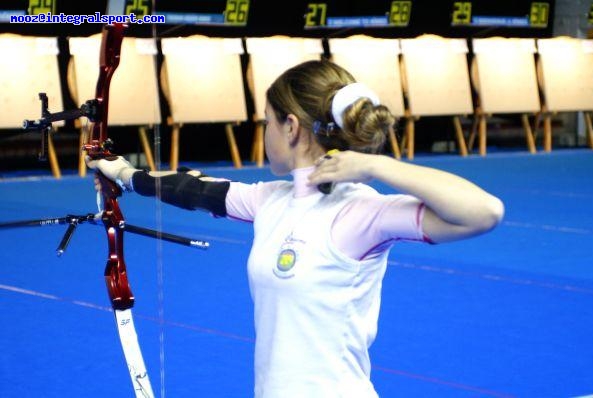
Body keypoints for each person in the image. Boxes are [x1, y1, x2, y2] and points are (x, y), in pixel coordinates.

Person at [87, 59, 504, 398]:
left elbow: (484, 212)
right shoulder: (271, 199)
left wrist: (378, 165)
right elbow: (194, 190)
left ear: (291, 126)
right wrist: (124, 173)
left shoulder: (362, 212)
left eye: (267, 121)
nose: (265, 132)